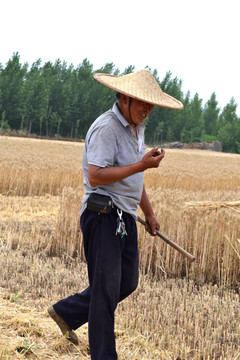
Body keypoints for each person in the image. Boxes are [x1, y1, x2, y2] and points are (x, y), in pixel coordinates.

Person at [48, 69, 183, 359]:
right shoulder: (106, 128)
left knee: (127, 282)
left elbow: (133, 179)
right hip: (102, 215)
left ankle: (66, 312)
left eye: (151, 105)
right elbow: (96, 176)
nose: (147, 110)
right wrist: (142, 165)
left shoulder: (137, 128)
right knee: (106, 291)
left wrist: (150, 212)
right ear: (123, 98)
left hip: (125, 217)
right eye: (141, 103)